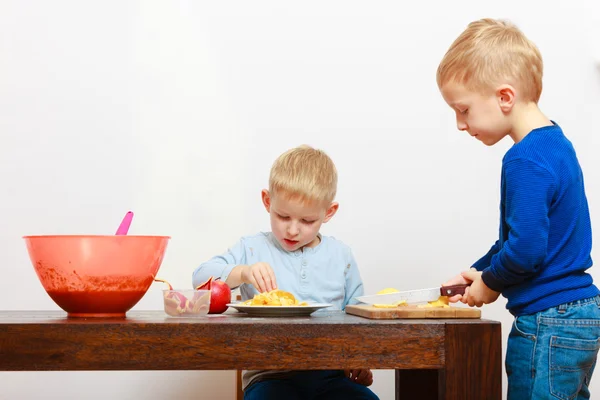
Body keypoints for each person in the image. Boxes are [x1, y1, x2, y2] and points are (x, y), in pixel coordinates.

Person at [437, 18, 600, 399]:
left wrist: (491, 283)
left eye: (463, 110)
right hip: (579, 313)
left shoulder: (523, 159)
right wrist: (479, 271)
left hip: (548, 320)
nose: (461, 124)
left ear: (504, 97)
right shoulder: (556, 143)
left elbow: (526, 251)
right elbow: (515, 239)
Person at [192, 145, 378, 400]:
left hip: (332, 376)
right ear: (268, 202)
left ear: (329, 212)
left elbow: (357, 316)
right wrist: (243, 272)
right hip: (270, 377)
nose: (292, 230)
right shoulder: (252, 248)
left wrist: (359, 358)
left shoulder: (341, 256)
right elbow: (200, 277)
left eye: (307, 221)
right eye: (283, 216)